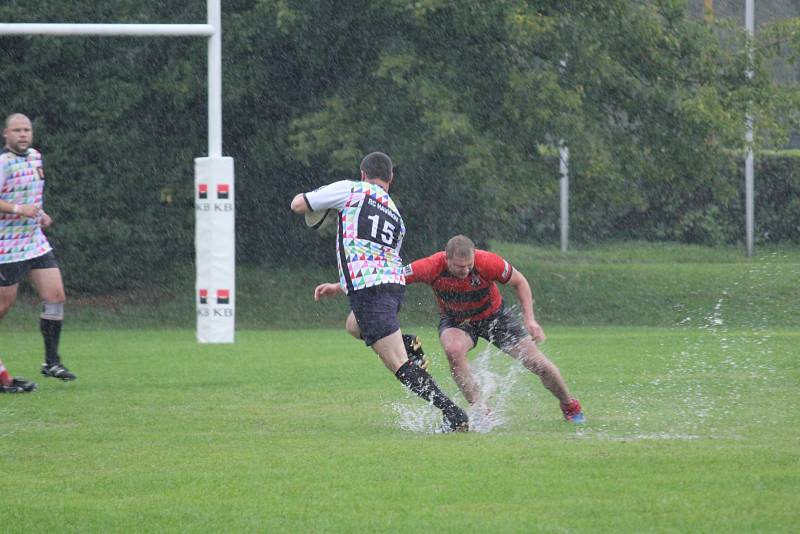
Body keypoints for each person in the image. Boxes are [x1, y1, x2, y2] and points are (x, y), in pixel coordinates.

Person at [291, 152, 468, 432]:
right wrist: (340, 287)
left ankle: (454, 415)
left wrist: (322, 203)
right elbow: (379, 257)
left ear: (363, 173)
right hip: (392, 285)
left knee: (398, 363)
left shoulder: (351, 189)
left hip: (371, 289)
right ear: (391, 179)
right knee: (354, 325)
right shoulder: (396, 215)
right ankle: (408, 343)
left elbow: (298, 204)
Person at [402, 235, 585, 423]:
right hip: (456, 320)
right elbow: (395, 278)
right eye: (459, 266)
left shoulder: (487, 262)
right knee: (453, 350)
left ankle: (569, 405)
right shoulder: (430, 266)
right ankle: (481, 410)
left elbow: (519, 282)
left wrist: (530, 319)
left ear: (474, 256)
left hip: (495, 317)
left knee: (539, 364)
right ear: (446, 258)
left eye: (469, 265)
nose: (465, 271)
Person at [0, 113, 76, 382]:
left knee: (55, 296)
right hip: (6, 246)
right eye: (17, 130)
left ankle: (52, 362)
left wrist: (40, 214)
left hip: (34, 241)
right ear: (6, 134)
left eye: (27, 130)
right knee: (3, 306)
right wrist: (19, 209)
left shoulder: (35, 157)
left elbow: (33, 194)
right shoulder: (3, 163)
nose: (23, 134)